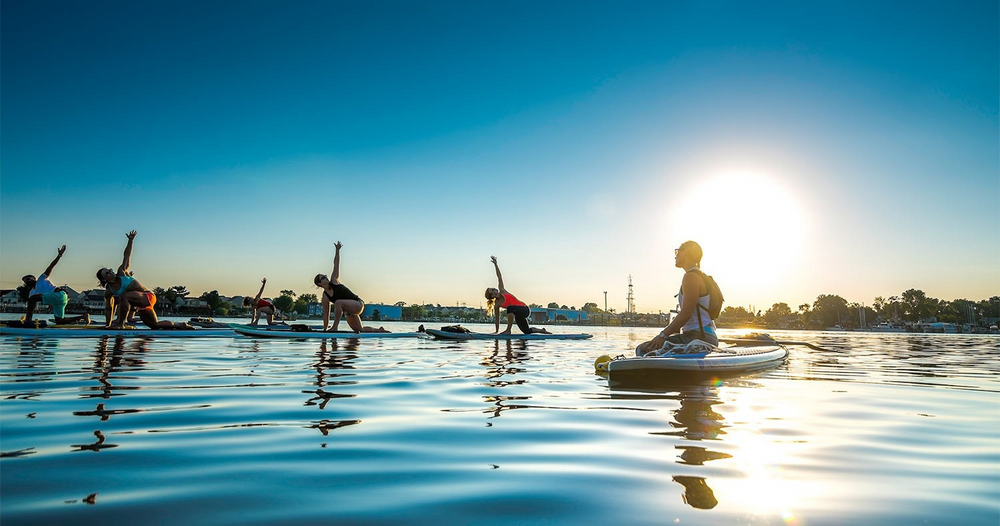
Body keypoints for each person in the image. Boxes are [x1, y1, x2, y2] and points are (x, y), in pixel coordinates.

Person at [96, 231, 191, 330]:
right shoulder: (109, 291)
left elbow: (127, 256)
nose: (110, 272)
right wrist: (108, 326)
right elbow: (109, 309)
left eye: (109, 270)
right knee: (155, 325)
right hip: (140, 304)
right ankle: (181, 325)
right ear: (104, 279)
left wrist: (130, 240)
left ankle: (120, 323)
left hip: (148, 297)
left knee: (124, 296)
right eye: (107, 273)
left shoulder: (121, 272)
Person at [637, 240, 719, 355]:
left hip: (699, 338)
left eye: (677, 252)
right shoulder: (698, 276)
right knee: (656, 347)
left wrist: (662, 335)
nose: (675, 256)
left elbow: (686, 313)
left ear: (686, 252)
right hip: (702, 336)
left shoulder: (691, 277)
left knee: (644, 350)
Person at [19, 245, 90, 325]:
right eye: (25, 281)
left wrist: (59, 256)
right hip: (58, 300)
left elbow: (51, 266)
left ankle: (28, 321)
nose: (26, 281)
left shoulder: (41, 278)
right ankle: (83, 317)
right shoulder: (31, 293)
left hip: (59, 294)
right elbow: (30, 306)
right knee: (59, 321)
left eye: (28, 279)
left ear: (34, 279)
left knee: (32, 299)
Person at [484, 256, 551, 335]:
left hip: (525, 309)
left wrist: (496, 264)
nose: (494, 288)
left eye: (492, 288)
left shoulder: (502, 290)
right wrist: (496, 331)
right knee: (526, 331)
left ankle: (508, 330)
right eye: (492, 289)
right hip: (518, 314)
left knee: (510, 308)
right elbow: (497, 319)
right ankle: (542, 331)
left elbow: (499, 276)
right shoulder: (497, 304)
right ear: (492, 295)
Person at [314, 242, 369, 332]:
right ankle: (381, 331)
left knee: (338, 302)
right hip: (349, 311)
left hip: (358, 304)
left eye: (325, 275)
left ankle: (335, 327)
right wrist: (324, 330)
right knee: (360, 330)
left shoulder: (334, 281)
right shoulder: (325, 297)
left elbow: (336, 264)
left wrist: (337, 250)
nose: (326, 277)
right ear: (320, 284)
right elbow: (326, 314)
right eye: (323, 278)